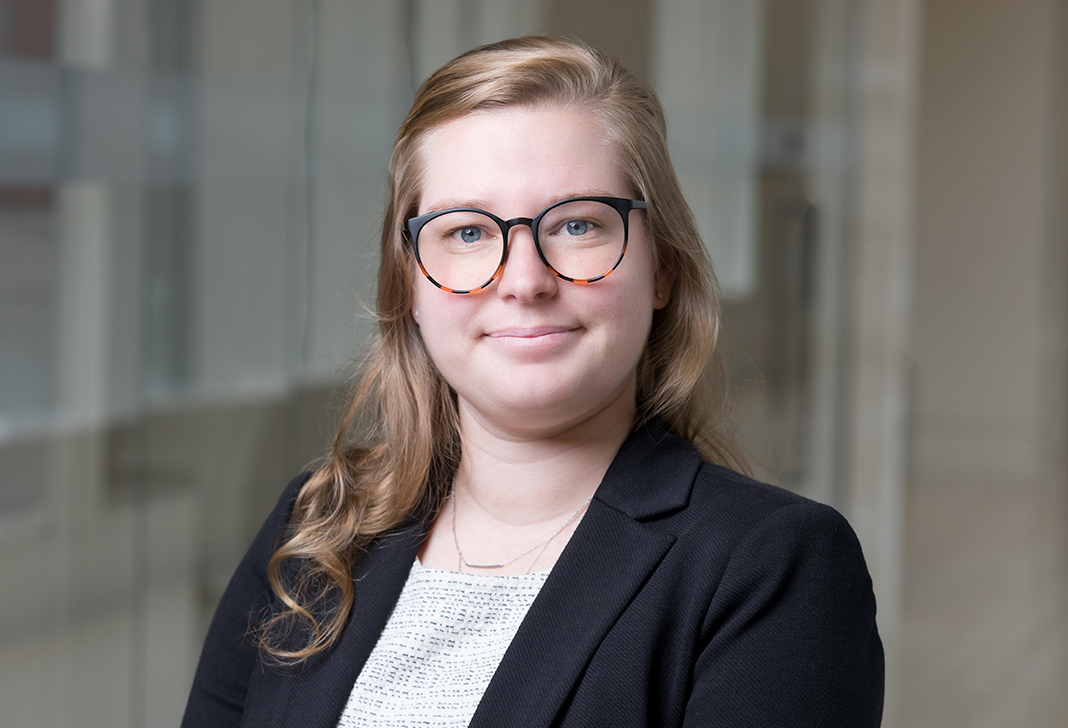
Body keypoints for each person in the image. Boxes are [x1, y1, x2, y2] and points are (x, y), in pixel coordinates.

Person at [181, 36, 883, 728]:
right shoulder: (319, 526)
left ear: (662, 269)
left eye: (577, 225)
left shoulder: (771, 567)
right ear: (409, 285)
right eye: (467, 233)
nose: (525, 281)